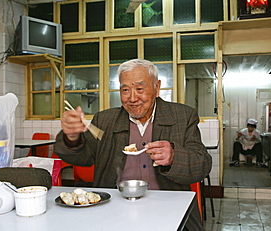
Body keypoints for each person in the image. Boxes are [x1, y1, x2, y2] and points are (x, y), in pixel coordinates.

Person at [54, 59, 212, 230]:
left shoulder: (182, 116)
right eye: (125, 90)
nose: (132, 98)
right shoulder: (106, 120)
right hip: (113, 207)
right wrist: (72, 137)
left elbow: (201, 165)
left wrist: (174, 156)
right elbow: (82, 157)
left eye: (140, 89)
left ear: (156, 88)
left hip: (167, 206)